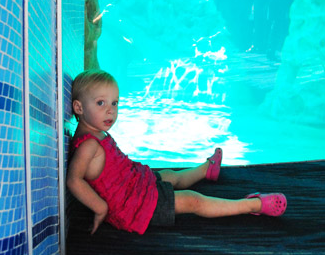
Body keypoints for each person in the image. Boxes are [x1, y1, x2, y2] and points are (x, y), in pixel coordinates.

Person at [67, 70, 287, 235]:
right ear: (78, 108)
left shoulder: (96, 134)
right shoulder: (88, 146)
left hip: (134, 185)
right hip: (134, 206)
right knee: (193, 201)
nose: (111, 110)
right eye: (101, 103)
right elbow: (74, 181)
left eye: (115, 103)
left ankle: (205, 170)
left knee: (170, 175)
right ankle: (252, 204)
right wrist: (100, 208)